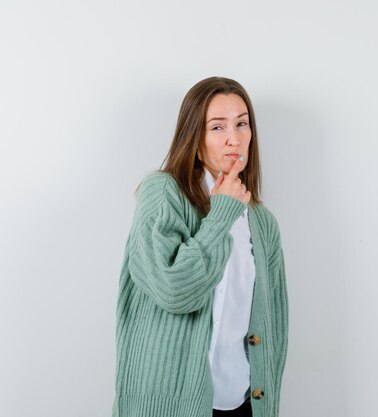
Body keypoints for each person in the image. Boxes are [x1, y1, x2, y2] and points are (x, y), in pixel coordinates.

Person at [112, 76, 289, 417]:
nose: (233, 139)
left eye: (241, 124)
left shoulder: (262, 223)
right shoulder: (162, 194)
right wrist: (221, 214)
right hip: (168, 404)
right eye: (217, 127)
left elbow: (274, 327)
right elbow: (174, 290)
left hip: (241, 402)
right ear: (195, 139)